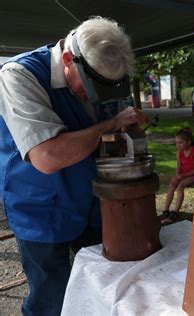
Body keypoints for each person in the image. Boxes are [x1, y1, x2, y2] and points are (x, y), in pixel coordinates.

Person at [0, 17, 147, 315]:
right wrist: (113, 123)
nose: (96, 97)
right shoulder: (19, 74)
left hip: (93, 203)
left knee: (99, 287)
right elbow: (48, 156)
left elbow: (115, 129)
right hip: (39, 207)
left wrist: (128, 130)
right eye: (90, 87)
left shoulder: (104, 73)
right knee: (50, 298)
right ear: (68, 58)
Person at [162, 128, 194, 223]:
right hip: (183, 174)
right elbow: (178, 166)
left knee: (181, 186)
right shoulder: (179, 153)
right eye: (176, 142)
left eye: (180, 142)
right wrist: (177, 175)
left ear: (188, 142)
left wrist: (184, 175)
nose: (177, 145)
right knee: (172, 185)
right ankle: (165, 210)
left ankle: (176, 211)